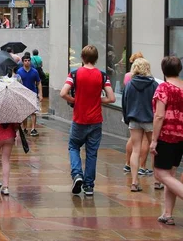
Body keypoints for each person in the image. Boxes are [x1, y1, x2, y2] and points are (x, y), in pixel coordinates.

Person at [60, 45, 115, 196]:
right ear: (96, 59)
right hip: (96, 120)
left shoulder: (74, 74)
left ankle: (77, 175)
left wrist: (75, 99)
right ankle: (89, 186)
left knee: (73, 146)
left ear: (82, 58)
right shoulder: (103, 76)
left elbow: (63, 93)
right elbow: (111, 98)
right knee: (92, 153)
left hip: (79, 119)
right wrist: (97, 100)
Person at [151, 56, 183, 225]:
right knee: (171, 174)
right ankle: (167, 213)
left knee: (160, 174)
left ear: (163, 70)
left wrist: (154, 140)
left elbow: (159, 115)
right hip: (181, 137)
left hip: (167, 136)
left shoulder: (163, 88)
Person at [122, 58, 158, 192]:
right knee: (154, 150)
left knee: (135, 150)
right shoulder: (154, 85)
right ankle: (157, 181)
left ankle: (134, 182)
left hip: (134, 119)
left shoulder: (129, 84)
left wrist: (127, 118)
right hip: (150, 120)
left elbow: (125, 103)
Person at [123, 52, 151, 174]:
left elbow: (125, 100)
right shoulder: (153, 83)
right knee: (148, 143)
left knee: (135, 147)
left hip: (133, 116)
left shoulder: (128, 81)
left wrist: (127, 117)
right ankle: (143, 167)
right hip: (148, 117)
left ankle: (133, 178)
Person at [17, 55, 43, 137]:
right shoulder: (19, 72)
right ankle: (25, 128)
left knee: (33, 112)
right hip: (23, 94)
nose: (27, 62)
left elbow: (38, 82)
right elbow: (17, 83)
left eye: (28, 60)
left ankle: (33, 128)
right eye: (25, 60)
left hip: (32, 93)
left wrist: (40, 93)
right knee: (24, 112)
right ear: (23, 62)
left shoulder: (34, 72)